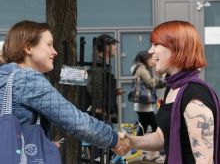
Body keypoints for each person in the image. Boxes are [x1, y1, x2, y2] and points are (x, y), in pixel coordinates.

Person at [0, 20, 130, 156]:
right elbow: (75, 121)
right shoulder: (27, 79)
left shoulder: (5, 75)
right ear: (28, 48)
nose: (54, 52)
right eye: (49, 45)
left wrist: (44, 143)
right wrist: (113, 139)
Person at [124, 20, 220, 164]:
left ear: (177, 49)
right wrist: (130, 142)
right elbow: (162, 137)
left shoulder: (194, 96)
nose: (150, 51)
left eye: (156, 44)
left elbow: (205, 160)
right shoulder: (173, 88)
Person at [130, 50, 165, 163]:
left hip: (142, 105)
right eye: (151, 58)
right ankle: (157, 151)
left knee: (143, 128)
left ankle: (136, 150)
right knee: (156, 127)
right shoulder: (142, 69)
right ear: (145, 59)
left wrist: (163, 83)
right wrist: (161, 79)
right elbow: (150, 83)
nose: (153, 61)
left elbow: (151, 85)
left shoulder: (141, 68)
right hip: (144, 105)